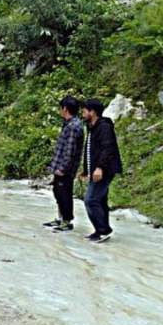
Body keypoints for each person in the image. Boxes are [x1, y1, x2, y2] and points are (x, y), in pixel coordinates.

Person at [80, 99, 123, 243]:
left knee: (90, 200)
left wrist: (99, 168)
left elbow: (107, 148)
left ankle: (103, 230)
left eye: (85, 110)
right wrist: (86, 169)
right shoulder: (91, 126)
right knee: (100, 200)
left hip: (105, 169)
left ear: (92, 112)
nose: (83, 113)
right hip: (96, 169)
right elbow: (90, 149)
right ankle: (101, 230)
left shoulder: (104, 127)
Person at [43, 96, 85, 232]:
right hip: (61, 167)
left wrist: (62, 168)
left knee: (64, 193)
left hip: (65, 169)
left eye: (61, 108)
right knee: (58, 191)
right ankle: (61, 218)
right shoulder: (69, 123)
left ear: (65, 109)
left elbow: (70, 150)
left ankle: (67, 221)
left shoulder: (73, 126)